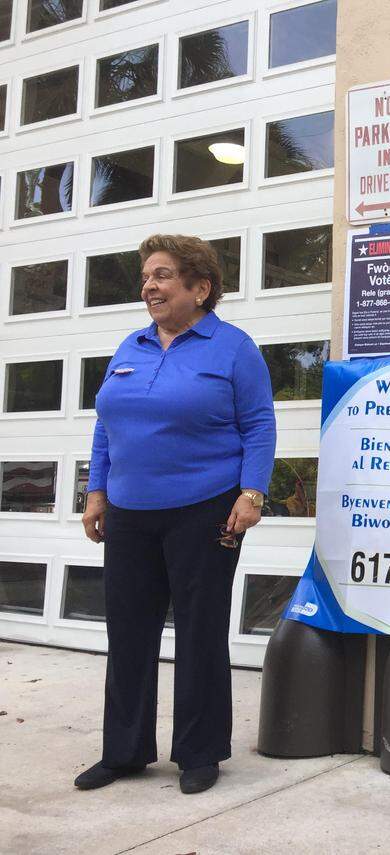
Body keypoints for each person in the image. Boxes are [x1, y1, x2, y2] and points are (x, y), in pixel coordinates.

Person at [75, 235, 277, 793]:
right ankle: (124, 751)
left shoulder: (233, 348)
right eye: (146, 277)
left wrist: (251, 494)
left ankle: (200, 751)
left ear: (200, 287)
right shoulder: (132, 345)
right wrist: (97, 494)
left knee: (199, 631)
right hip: (130, 513)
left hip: (206, 509)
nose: (149, 286)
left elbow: (259, 425)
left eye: (162, 275)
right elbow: (105, 425)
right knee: (129, 632)